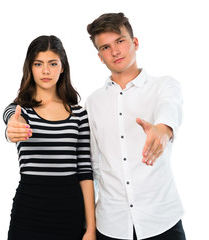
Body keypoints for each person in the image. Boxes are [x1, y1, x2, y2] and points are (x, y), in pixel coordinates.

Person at [85, 13, 186, 240]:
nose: (115, 52)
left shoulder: (164, 86)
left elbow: (169, 112)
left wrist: (162, 130)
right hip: (111, 225)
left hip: (161, 221)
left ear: (135, 42)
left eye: (120, 41)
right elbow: (92, 166)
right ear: (100, 57)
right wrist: (89, 227)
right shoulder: (93, 103)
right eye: (105, 47)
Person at [3, 35, 96, 240]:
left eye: (53, 63)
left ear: (62, 67)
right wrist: (13, 128)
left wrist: (91, 228)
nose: (46, 71)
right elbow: (11, 121)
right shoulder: (20, 111)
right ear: (30, 67)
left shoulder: (79, 114)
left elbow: (85, 171)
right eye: (38, 64)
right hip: (28, 211)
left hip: (69, 213)